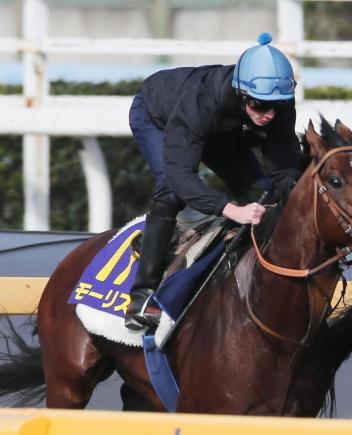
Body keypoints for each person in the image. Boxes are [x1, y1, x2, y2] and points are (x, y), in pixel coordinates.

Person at [124, 32, 302, 330]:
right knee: (170, 192)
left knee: (264, 194)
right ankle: (142, 295)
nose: (269, 114)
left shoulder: (277, 104)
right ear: (242, 94)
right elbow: (182, 176)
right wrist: (230, 209)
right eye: (260, 105)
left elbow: (283, 170)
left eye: (276, 105)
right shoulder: (201, 101)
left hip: (223, 131)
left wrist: (295, 195)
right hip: (158, 116)